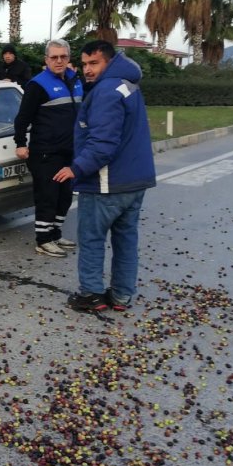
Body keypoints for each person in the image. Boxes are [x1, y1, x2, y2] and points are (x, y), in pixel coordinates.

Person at [54, 40, 156, 313]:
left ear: (109, 62)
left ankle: (91, 295)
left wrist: (76, 169)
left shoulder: (106, 92)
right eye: (85, 64)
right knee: (126, 240)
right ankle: (122, 296)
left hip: (107, 184)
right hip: (135, 182)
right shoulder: (128, 85)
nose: (87, 70)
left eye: (94, 63)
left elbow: (103, 144)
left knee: (91, 239)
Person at [13, 38, 82, 257]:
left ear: (69, 58)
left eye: (63, 57)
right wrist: (20, 143)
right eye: (54, 57)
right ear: (46, 59)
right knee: (47, 196)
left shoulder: (75, 81)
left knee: (65, 196)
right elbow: (22, 118)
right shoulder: (38, 85)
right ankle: (43, 240)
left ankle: (55, 234)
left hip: (70, 151)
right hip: (45, 152)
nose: (59, 61)